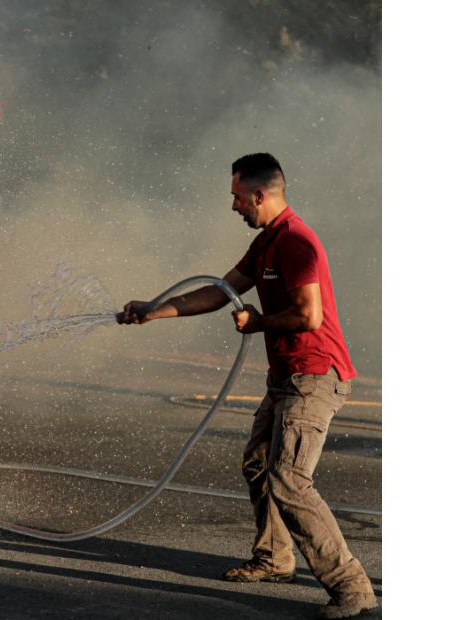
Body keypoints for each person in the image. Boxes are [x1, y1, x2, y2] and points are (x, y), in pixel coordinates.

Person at [116, 153, 377, 619]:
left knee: (290, 480)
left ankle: (352, 589)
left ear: (260, 195)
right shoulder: (266, 244)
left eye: (238, 197)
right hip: (286, 379)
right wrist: (154, 308)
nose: (235, 207)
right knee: (259, 464)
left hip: (315, 378)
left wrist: (257, 322)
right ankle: (275, 559)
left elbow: (308, 316)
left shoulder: (297, 242)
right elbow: (218, 291)